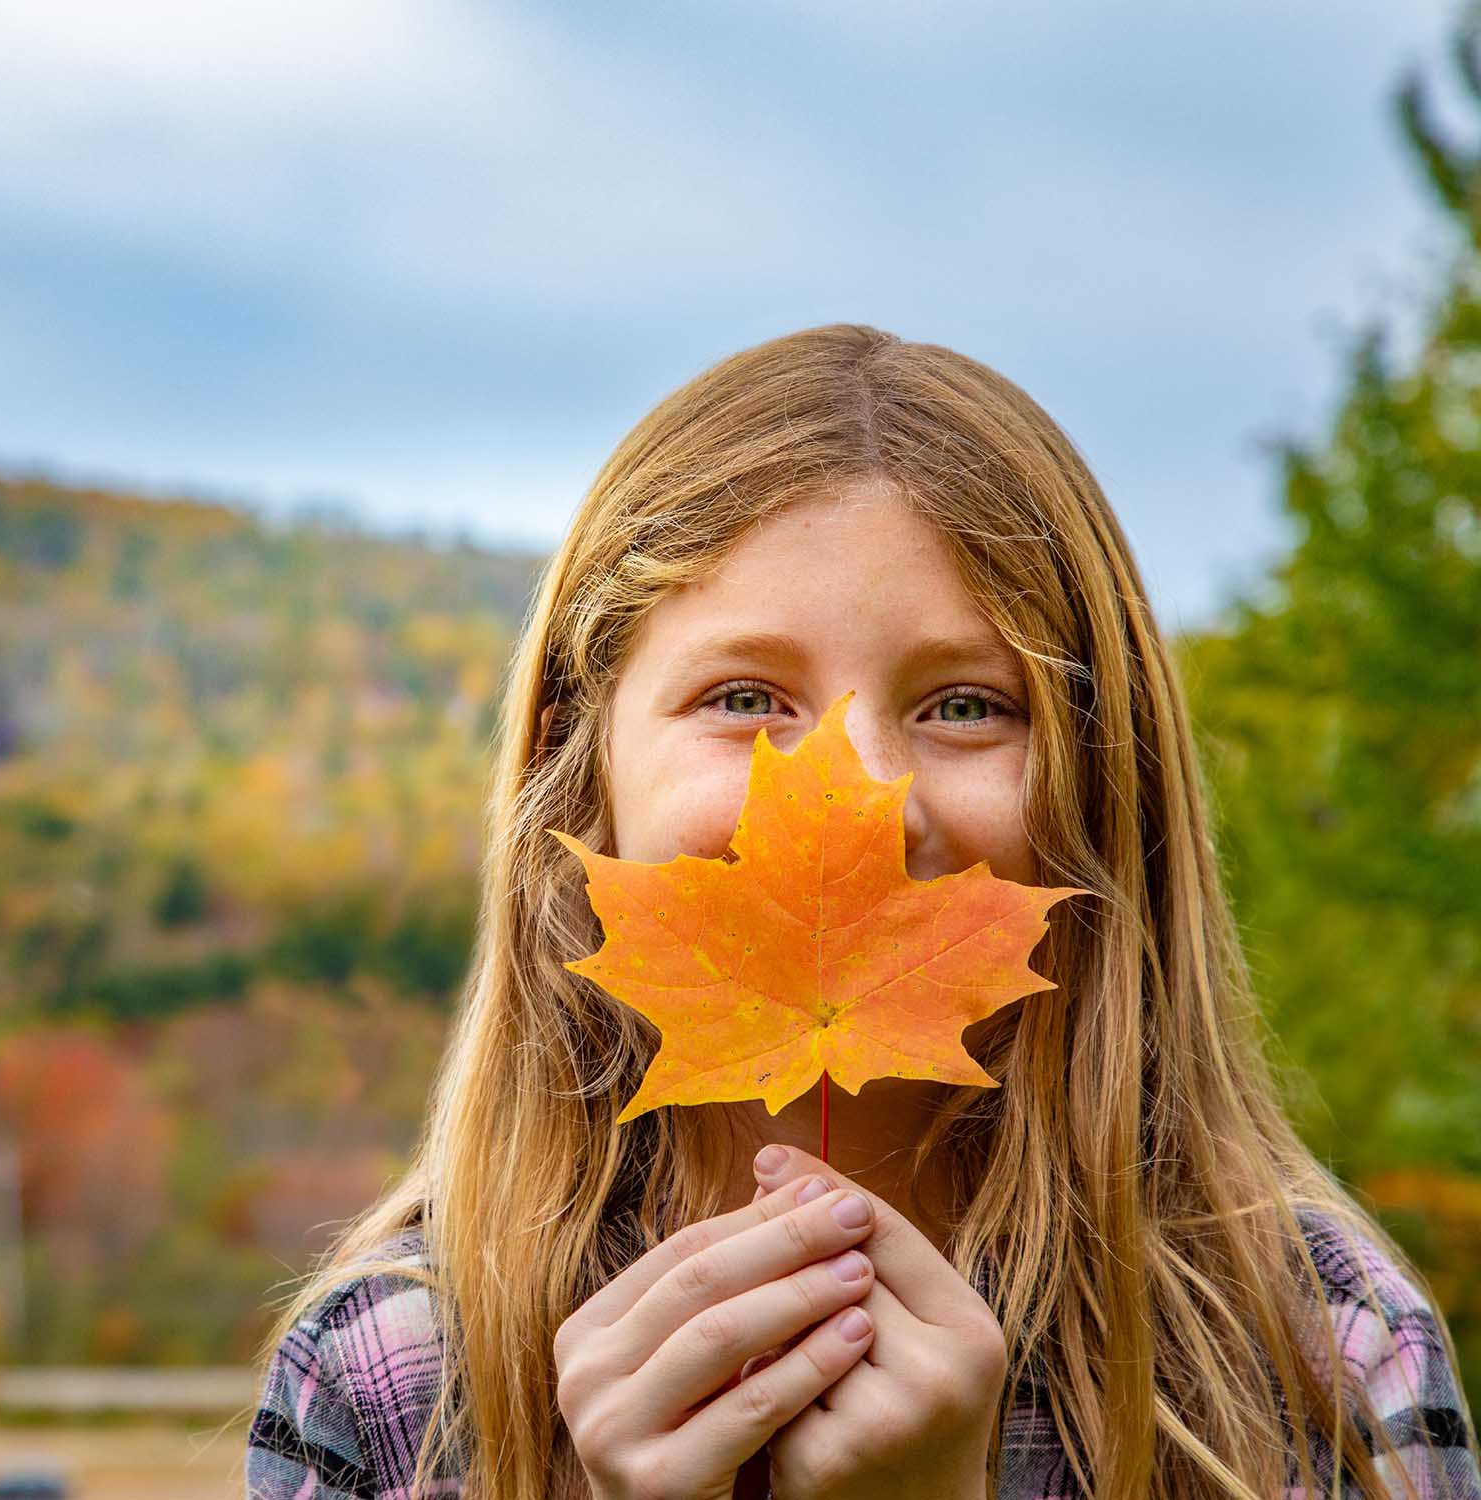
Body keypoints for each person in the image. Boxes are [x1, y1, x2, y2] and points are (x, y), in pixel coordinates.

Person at [242, 324, 1481, 1499]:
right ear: (579, 764)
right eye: (743, 696)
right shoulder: (391, 1369)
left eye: (963, 705)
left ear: (1110, 787)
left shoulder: (1318, 1351)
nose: (865, 795)